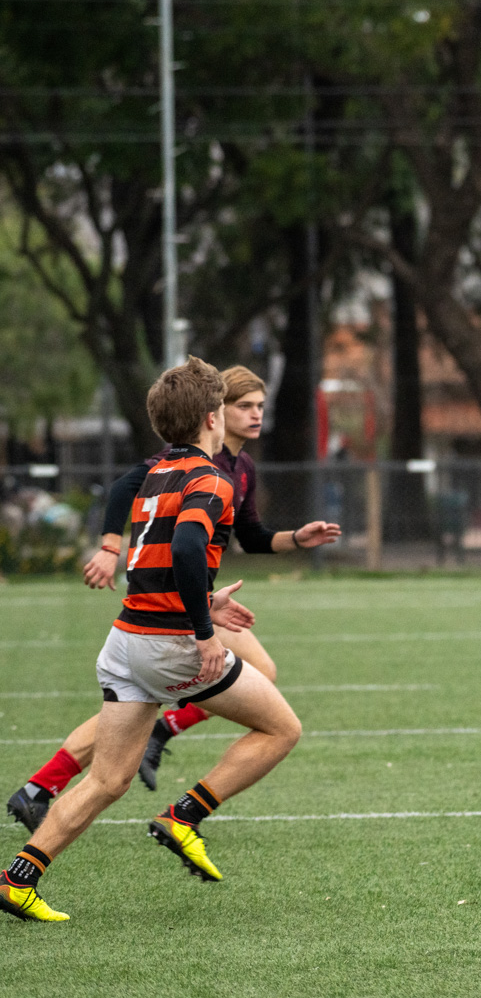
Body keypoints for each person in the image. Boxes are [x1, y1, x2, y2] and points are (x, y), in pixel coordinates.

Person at [2, 357, 304, 923]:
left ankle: (20, 877)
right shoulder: (210, 477)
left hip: (127, 638)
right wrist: (205, 629)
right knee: (282, 727)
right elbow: (189, 548)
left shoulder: (160, 471)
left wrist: (203, 600)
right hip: (171, 646)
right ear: (214, 416)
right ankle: (184, 815)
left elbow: (163, 557)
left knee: (108, 778)